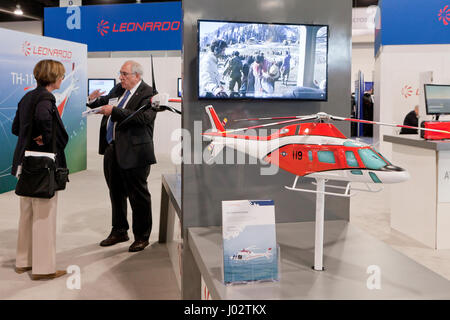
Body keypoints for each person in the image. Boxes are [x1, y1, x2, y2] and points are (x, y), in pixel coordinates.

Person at [87, 60, 156, 252]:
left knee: (138, 195)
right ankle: (119, 231)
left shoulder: (148, 94)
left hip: (135, 152)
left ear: (137, 76)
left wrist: (114, 112)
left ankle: (142, 236)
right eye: (120, 73)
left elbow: (144, 118)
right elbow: (105, 102)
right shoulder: (119, 89)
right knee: (115, 193)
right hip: (112, 149)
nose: (121, 78)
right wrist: (93, 101)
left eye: (124, 74)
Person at [11, 59, 69, 280]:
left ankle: (23, 262)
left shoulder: (27, 97)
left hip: (25, 162)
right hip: (42, 164)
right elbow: (45, 120)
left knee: (26, 213)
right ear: (53, 77)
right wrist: (45, 138)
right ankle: (44, 268)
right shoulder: (46, 98)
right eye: (61, 75)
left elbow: (16, 128)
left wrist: (33, 137)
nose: (63, 79)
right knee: (44, 216)